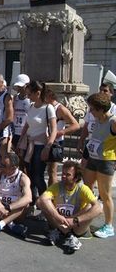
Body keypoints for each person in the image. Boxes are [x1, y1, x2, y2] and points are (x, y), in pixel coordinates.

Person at [37, 161, 101, 252]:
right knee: (43, 202)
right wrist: (57, 216)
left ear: (76, 178)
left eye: (67, 175)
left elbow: (99, 208)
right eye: (63, 173)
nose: (63, 176)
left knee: (91, 206)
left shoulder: (83, 188)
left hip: (76, 225)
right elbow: (40, 200)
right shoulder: (57, 186)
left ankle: (65, 233)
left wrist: (75, 220)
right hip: (58, 222)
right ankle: (68, 235)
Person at [17, 81, 57, 207]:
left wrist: (48, 146)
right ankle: (33, 200)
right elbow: (27, 124)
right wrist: (20, 140)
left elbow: (54, 129)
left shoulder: (48, 108)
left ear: (38, 93)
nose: (28, 96)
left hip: (41, 145)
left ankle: (45, 202)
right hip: (29, 144)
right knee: (29, 173)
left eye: (30, 94)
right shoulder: (31, 106)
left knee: (38, 176)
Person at [83, 93, 116, 238]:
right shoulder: (97, 119)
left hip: (106, 161)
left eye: (92, 109)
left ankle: (109, 225)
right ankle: (87, 217)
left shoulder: (113, 121)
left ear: (101, 109)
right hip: (93, 158)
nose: (90, 112)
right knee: (87, 189)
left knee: (105, 194)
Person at [45, 88, 79, 185]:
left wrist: (60, 132)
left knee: (52, 171)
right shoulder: (44, 107)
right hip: (43, 140)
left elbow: (75, 125)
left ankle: (53, 195)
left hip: (55, 142)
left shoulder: (60, 109)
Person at [77, 83, 116, 167]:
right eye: (100, 90)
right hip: (91, 143)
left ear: (111, 93)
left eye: (105, 91)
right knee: (84, 168)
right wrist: (81, 140)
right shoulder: (92, 108)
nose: (102, 92)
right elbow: (86, 125)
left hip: (105, 147)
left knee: (101, 175)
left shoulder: (114, 109)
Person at [12, 74, 31, 149]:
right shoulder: (15, 98)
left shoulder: (31, 100)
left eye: (21, 87)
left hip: (27, 133)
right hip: (15, 131)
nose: (19, 89)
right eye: (18, 87)